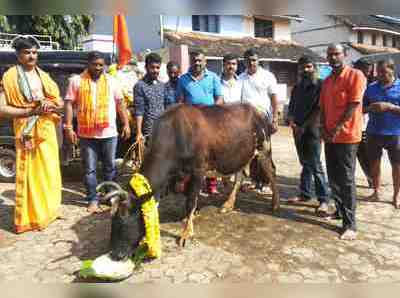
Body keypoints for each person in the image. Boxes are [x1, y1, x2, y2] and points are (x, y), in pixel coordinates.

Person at [1, 36, 64, 233]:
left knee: (49, 171)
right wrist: (31, 111)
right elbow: (2, 109)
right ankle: (31, 217)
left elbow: (60, 103)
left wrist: (49, 104)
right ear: (18, 55)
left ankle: (48, 211)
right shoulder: (10, 77)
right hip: (26, 131)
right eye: (27, 52)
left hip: (46, 130)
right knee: (30, 175)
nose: (32, 56)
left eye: (34, 52)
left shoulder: (43, 75)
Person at [64, 51, 131, 213]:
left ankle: (110, 197)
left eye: (101, 65)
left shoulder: (112, 81)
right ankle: (92, 199)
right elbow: (69, 104)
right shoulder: (76, 81)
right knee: (89, 169)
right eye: (95, 64)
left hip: (109, 133)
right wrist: (69, 127)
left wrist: (126, 124)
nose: (98, 67)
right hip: (86, 135)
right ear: (88, 64)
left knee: (110, 168)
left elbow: (120, 104)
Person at [320, 43, 366, 240]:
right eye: (330, 54)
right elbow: (322, 108)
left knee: (346, 179)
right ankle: (339, 211)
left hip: (347, 137)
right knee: (333, 177)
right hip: (330, 137)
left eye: (336, 54)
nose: (333, 58)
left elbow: (353, 105)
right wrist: (323, 128)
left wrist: (337, 128)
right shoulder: (327, 81)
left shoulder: (356, 75)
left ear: (344, 55)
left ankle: (350, 224)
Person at [287, 55, 330, 215]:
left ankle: (324, 199)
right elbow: (291, 107)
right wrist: (292, 122)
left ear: (315, 68)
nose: (305, 70)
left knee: (315, 165)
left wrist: (303, 127)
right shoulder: (297, 87)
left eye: (309, 67)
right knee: (305, 162)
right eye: (303, 67)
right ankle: (305, 194)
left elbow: (319, 109)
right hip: (297, 131)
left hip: (312, 131)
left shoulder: (321, 85)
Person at [176, 50, 223, 194]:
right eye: (194, 60)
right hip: (191, 124)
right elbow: (180, 101)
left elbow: (219, 98)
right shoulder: (183, 79)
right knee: (192, 154)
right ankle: (192, 185)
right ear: (191, 61)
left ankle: (211, 185)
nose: (197, 63)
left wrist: (213, 113)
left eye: (200, 60)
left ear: (205, 62)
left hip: (210, 122)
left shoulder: (213, 77)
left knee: (212, 153)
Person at [239, 48, 279, 192]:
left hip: (263, 119)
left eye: (254, 60)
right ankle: (255, 181)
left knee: (265, 152)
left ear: (258, 60)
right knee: (250, 152)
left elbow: (274, 98)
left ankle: (268, 182)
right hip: (245, 121)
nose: (251, 63)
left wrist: (275, 119)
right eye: (248, 61)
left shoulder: (268, 76)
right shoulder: (241, 77)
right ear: (244, 62)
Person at [363, 59, 400, 209]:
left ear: (392, 70)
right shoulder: (371, 88)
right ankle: (376, 191)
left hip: (395, 133)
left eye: (383, 72)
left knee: (397, 165)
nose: (379, 75)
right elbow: (361, 108)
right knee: (374, 163)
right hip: (373, 131)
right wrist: (371, 107)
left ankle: (397, 194)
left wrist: (390, 107)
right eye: (378, 72)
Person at [134, 53, 166, 143]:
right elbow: (139, 111)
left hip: (163, 130)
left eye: (158, 67)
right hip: (148, 132)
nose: (155, 70)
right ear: (146, 67)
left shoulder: (162, 85)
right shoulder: (140, 86)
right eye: (152, 67)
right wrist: (139, 132)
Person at [354, 58, 375, 188]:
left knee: (367, 154)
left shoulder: (371, 85)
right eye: (364, 68)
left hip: (366, 125)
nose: (367, 71)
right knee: (359, 155)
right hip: (354, 125)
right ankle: (371, 178)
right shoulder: (351, 81)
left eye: (369, 68)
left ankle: (372, 178)